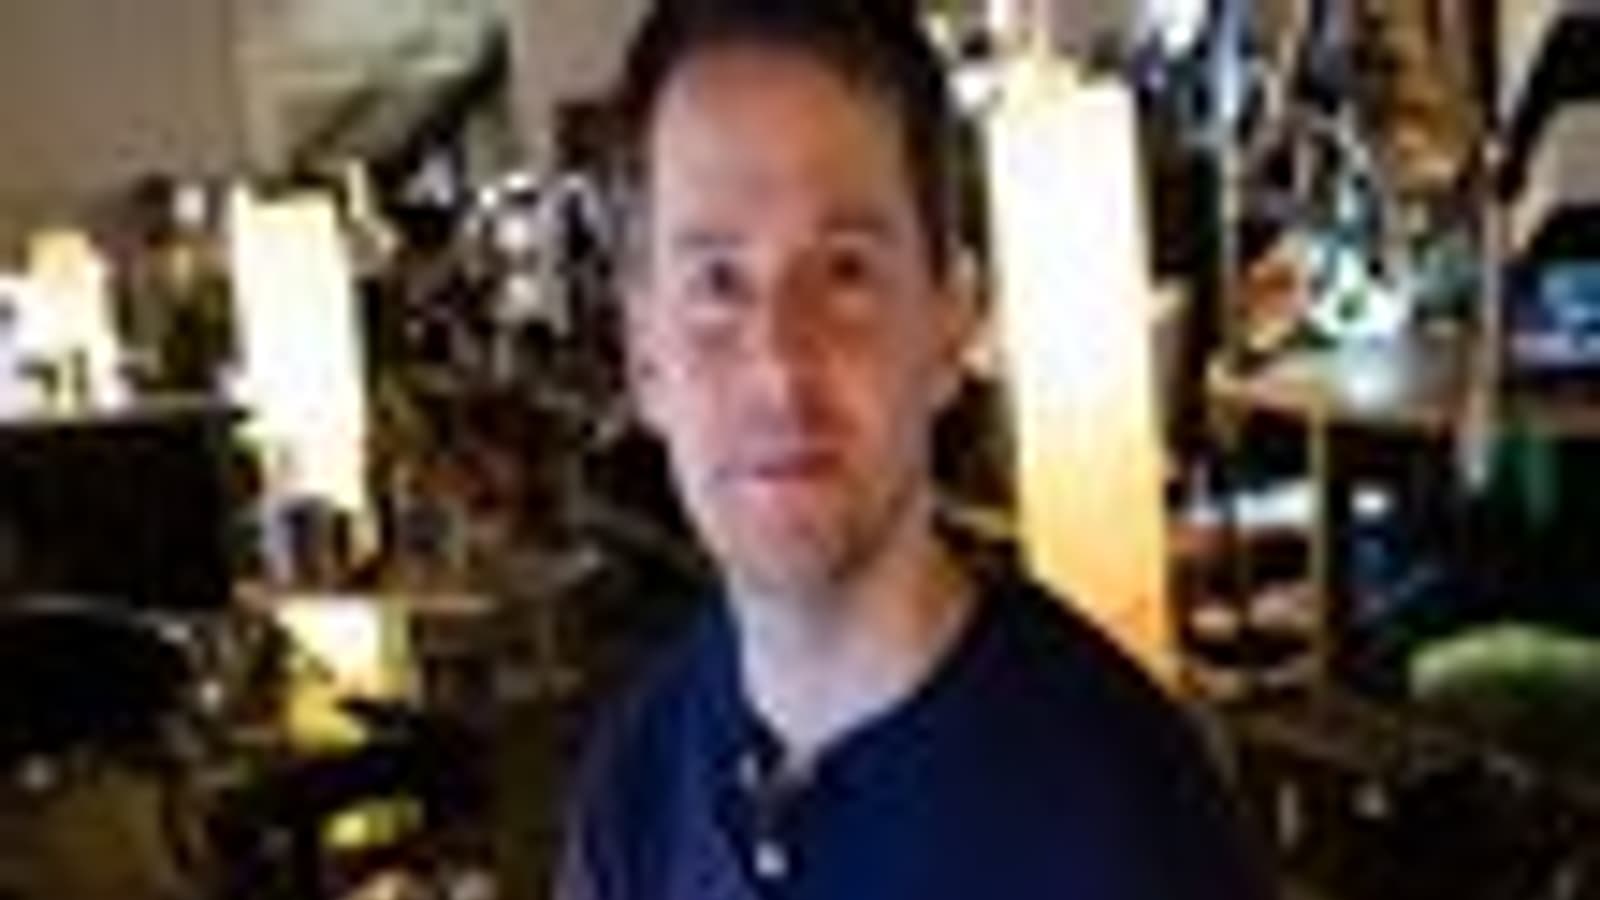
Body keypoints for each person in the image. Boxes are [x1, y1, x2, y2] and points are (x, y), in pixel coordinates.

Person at [556, 1, 1275, 898]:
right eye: (719, 282)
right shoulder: (635, 782)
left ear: (950, 323)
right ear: (645, 359)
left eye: (846, 271)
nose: (780, 365)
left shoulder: (1127, 818)